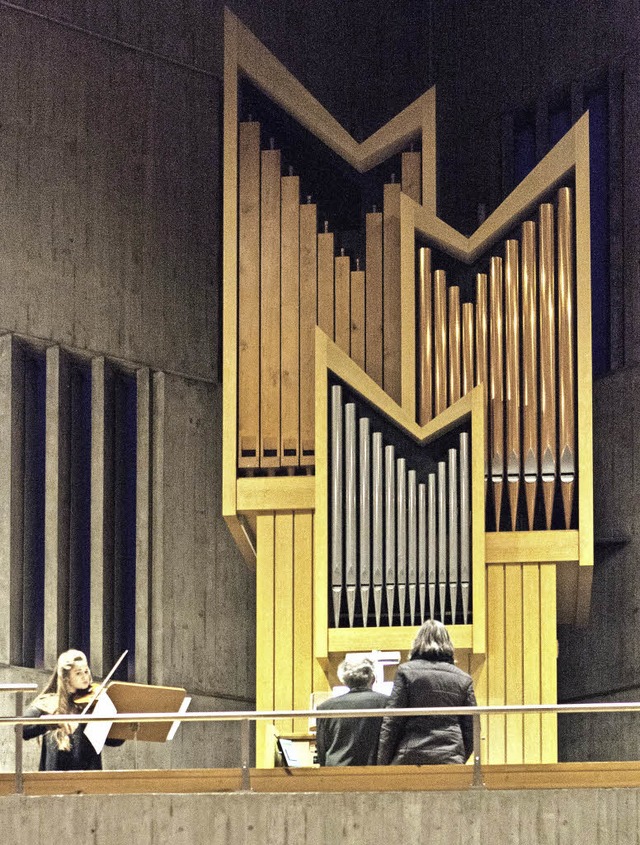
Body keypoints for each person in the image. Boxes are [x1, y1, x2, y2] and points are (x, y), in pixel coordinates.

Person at [377, 619, 476, 765]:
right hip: (450, 757)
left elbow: (392, 721)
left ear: (417, 642)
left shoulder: (406, 672)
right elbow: (471, 728)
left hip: (410, 755)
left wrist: (383, 763)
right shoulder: (463, 678)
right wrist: (458, 756)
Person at [23, 649, 123, 771]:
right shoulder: (49, 702)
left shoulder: (94, 703)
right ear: (66, 678)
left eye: (86, 671)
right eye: (78, 673)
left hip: (89, 777)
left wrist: (124, 726)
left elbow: (113, 741)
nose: (85, 677)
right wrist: (52, 722)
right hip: (54, 776)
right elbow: (22, 729)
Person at [315, 656, 388, 766]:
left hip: (337, 773)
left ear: (344, 680)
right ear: (372, 678)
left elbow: (322, 749)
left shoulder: (325, 707)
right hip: (376, 773)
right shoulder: (388, 703)